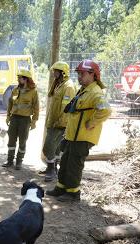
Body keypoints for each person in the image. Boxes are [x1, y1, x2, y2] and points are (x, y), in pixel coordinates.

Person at [47, 60, 111, 202]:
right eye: (79, 73)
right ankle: (61, 187)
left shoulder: (95, 92)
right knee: (65, 162)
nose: (79, 76)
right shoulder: (84, 90)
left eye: (82, 73)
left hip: (82, 137)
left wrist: (92, 122)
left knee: (74, 165)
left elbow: (106, 110)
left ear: (93, 75)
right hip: (73, 135)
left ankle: (73, 193)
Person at [40, 62, 76, 181]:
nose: (53, 73)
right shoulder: (59, 84)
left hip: (59, 123)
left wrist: (60, 122)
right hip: (53, 121)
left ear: (63, 72)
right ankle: (53, 169)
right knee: (54, 148)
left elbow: (66, 109)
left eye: (56, 71)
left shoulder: (68, 87)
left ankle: (51, 170)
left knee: (48, 147)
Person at [3, 69, 39, 170]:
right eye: (18, 77)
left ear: (26, 79)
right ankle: (10, 160)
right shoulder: (15, 90)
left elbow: (36, 107)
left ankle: (19, 162)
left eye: (20, 78)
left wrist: (34, 121)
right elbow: (10, 103)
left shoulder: (33, 91)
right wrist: (8, 116)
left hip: (25, 120)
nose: (18, 79)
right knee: (11, 140)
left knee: (22, 141)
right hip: (14, 118)